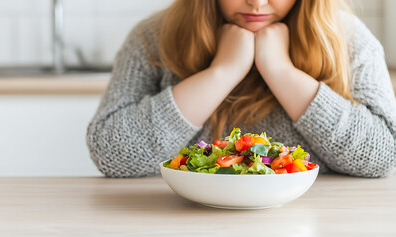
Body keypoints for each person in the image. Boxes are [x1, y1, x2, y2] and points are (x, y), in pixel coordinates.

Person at [86, 0, 396, 178]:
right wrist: (222, 73)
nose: (257, 2)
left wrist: (280, 71)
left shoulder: (348, 39)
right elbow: (112, 153)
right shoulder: (153, 37)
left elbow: (383, 154)